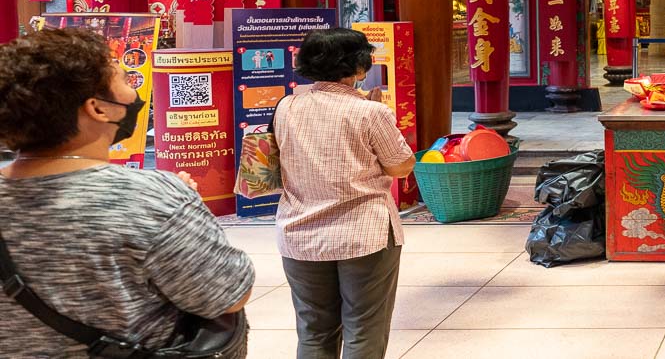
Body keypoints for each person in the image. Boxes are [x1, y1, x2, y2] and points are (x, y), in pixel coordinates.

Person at [0, 27, 254, 357]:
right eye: (123, 79)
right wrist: (180, 208)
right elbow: (228, 294)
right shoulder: (153, 199)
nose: (133, 93)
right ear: (98, 108)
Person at [276, 28, 416, 359]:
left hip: (299, 235)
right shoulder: (371, 112)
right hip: (363, 236)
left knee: (313, 331)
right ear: (359, 67)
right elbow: (400, 166)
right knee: (364, 328)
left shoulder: (286, 107)